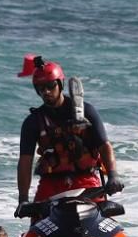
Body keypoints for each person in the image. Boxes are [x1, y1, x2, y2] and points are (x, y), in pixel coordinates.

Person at [15, 57, 124, 218]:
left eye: (50, 86)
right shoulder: (32, 122)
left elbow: (104, 146)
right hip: (51, 185)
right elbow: (25, 161)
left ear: (60, 85)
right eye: (40, 88)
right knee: (38, 225)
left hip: (87, 181)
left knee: (99, 222)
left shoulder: (86, 111)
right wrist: (23, 199)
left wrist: (113, 175)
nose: (46, 92)